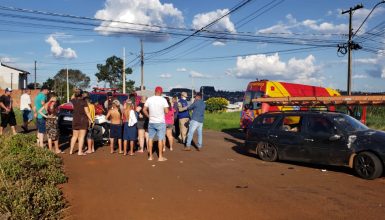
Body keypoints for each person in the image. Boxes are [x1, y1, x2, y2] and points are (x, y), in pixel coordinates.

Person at [143, 86, 169, 161]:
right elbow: (167, 111)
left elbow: (144, 110)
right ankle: (160, 157)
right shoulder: (163, 100)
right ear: (161, 92)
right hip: (160, 122)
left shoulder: (149, 99)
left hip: (151, 121)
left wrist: (149, 116)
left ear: (155, 91)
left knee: (150, 138)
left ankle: (150, 156)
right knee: (160, 139)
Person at [69, 89, 92, 155]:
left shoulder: (73, 100)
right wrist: (90, 119)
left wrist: (75, 92)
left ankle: (71, 151)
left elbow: (72, 97)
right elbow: (87, 112)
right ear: (82, 94)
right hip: (83, 120)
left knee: (74, 136)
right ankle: (79, 152)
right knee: (81, 137)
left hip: (75, 119)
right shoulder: (84, 102)